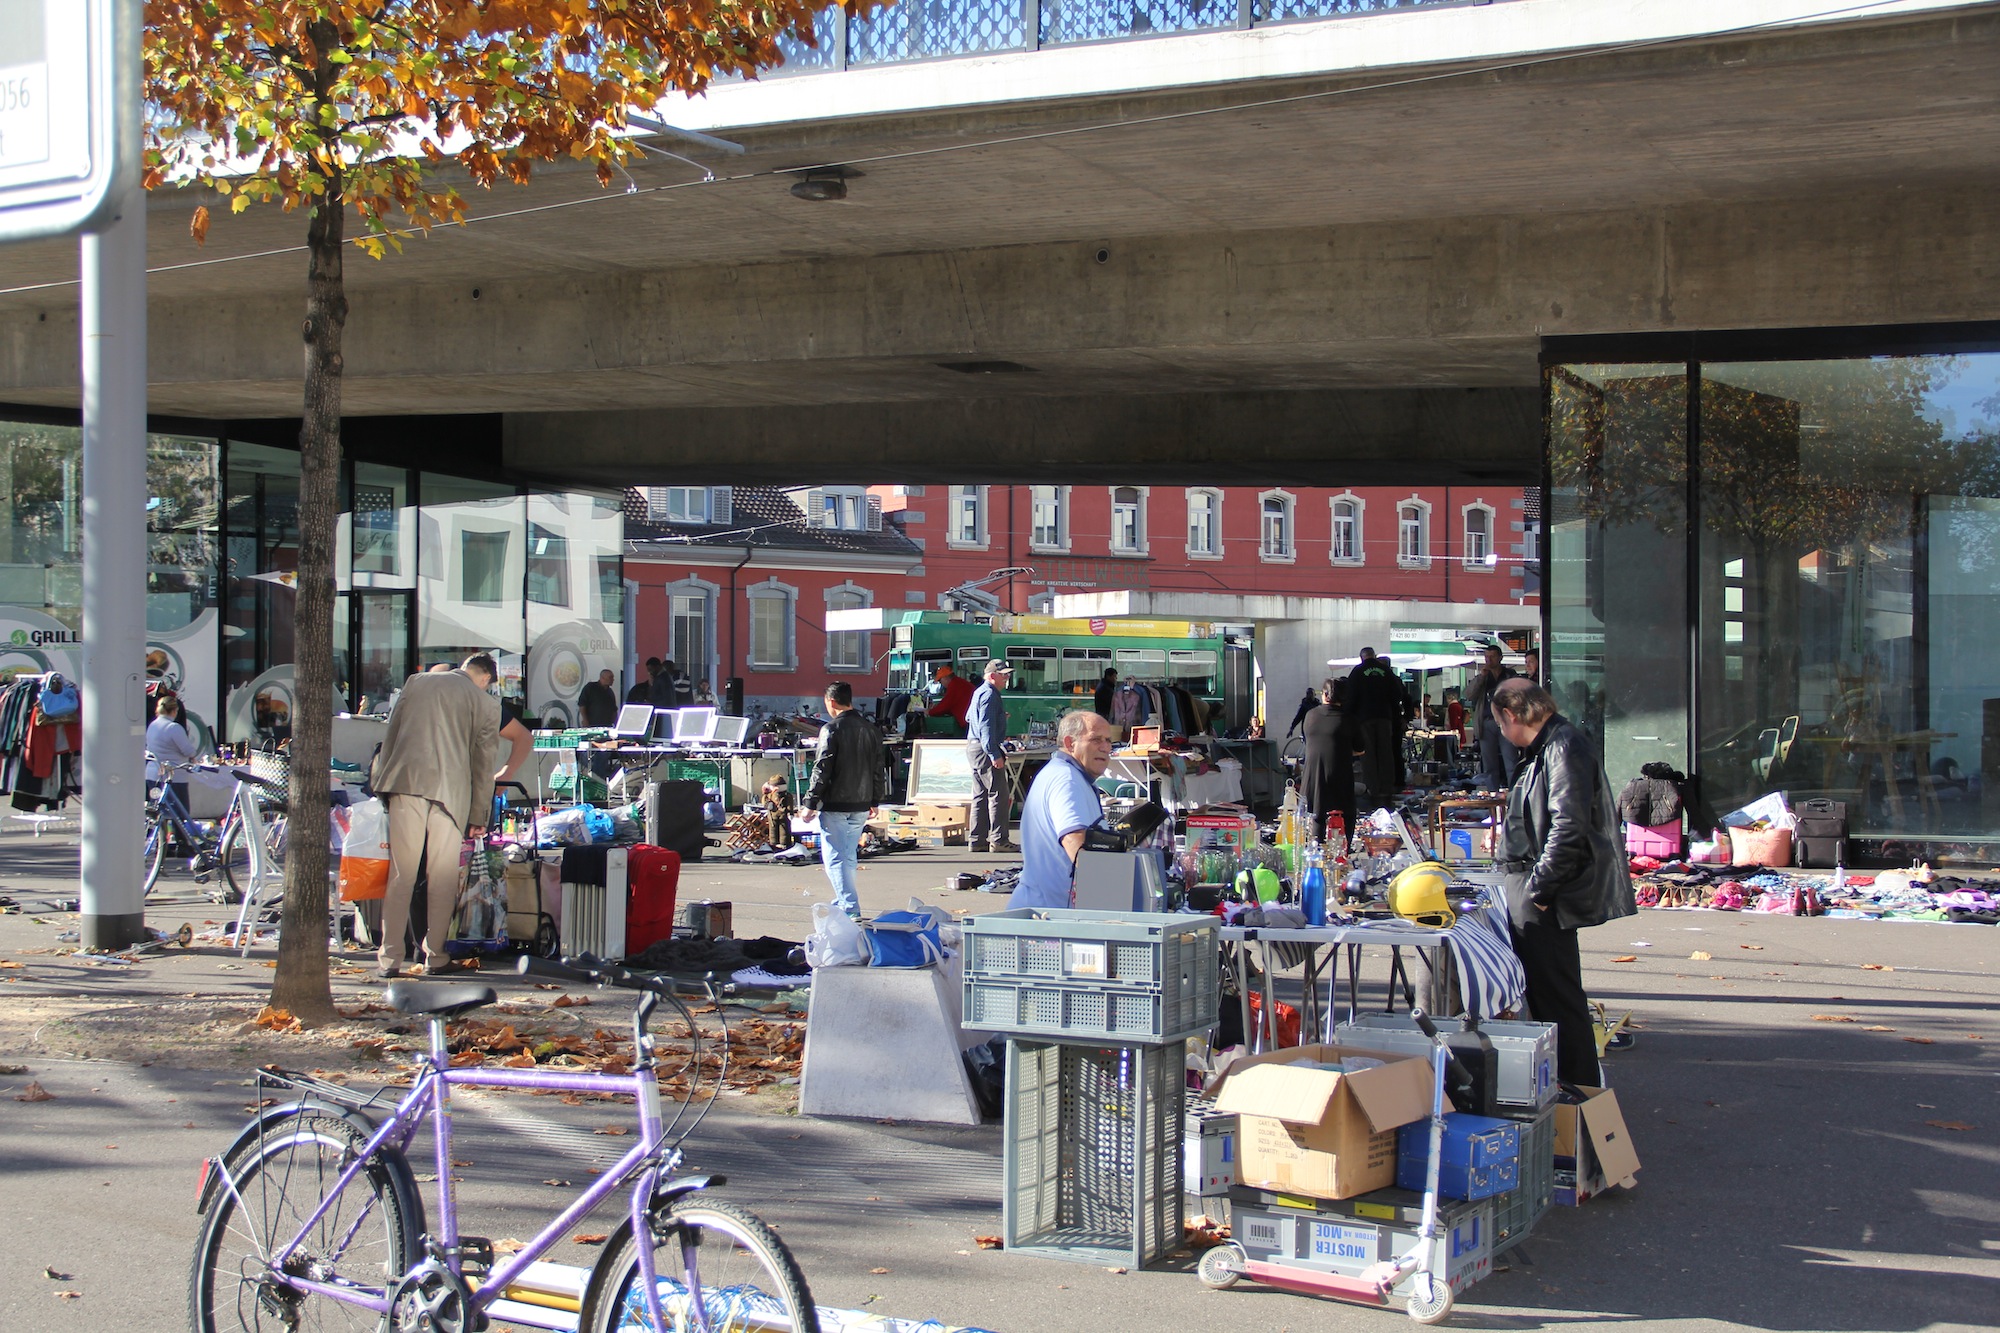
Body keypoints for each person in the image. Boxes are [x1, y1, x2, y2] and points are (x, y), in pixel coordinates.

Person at [1491, 679, 1635, 1086]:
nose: (1501, 732)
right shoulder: (1550, 746)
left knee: (1558, 998)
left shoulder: (1563, 745)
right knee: (1547, 995)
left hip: (1543, 889)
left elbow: (1569, 826)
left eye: (1500, 722)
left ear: (1513, 715)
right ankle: (1566, 1089)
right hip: (1531, 881)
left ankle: (1579, 1093)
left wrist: (1539, 891)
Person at [368, 654, 501, 978]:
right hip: (451, 795)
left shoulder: (417, 682)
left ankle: (389, 958)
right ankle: (435, 955)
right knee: (441, 879)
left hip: (406, 784)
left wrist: (381, 782)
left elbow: (392, 733)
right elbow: (483, 765)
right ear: (485, 678)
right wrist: (479, 813)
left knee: (402, 874)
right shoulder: (486, 704)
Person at [800, 680, 888, 918]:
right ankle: (842, 900)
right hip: (861, 802)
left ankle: (849, 906)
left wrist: (810, 803)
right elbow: (878, 768)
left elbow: (822, 769)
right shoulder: (870, 729)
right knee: (848, 856)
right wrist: (875, 799)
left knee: (835, 858)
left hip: (836, 803)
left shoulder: (831, 729)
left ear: (830, 702)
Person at [1010, 710, 1113, 910]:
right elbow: (1076, 843)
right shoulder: (1067, 780)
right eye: (1096, 739)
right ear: (1069, 743)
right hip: (1051, 918)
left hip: (1047, 911)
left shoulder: (1066, 774)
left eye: (1109, 740)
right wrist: (1113, 888)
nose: (1105, 747)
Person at [966, 659, 1018, 854]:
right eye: (1003, 674)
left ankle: (977, 840)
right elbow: (985, 727)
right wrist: (994, 753)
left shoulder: (979, 692)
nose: (1007, 678)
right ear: (991, 676)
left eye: (1008, 674)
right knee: (998, 795)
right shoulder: (990, 694)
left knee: (980, 795)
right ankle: (999, 840)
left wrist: (998, 717)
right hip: (984, 748)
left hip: (974, 747)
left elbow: (969, 718)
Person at [1298, 679, 1357, 848]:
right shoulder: (1348, 719)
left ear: (1324, 695)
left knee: (1316, 814)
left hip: (1311, 775)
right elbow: (1360, 748)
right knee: (1346, 815)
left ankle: (1316, 851)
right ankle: (1342, 852)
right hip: (1339, 772)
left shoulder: (1310, 715)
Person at [1346, 647, 1408, 803]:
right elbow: (1398, 693)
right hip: (1385, 718)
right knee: (1385, 753)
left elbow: (1350, 696)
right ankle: (1387, 789)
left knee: (1368, 755)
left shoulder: (1357, 672)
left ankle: (1372, 789)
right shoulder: (1386, 671)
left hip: (1364, 718)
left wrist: (1349, 717)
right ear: (1374, 656)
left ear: (1362, 658)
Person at [1464, 645, 1519, 790]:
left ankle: (1515, 794)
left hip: (1506, 721)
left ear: (1500, 658)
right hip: (1487, 722)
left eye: (1492, 656)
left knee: (1511, 760)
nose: (1488, 660)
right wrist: (1481, 678)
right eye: (1486, 657)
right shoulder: (1483, 677)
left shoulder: (1509, 675)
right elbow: (1469, 694)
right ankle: (1492, 796)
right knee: (1489, 764)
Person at [145, 693, 202, 821]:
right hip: (174, 775)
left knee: (158, 812)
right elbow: (188, 751)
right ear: (175, 711)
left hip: (153, 773)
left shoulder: (152, 725)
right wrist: (193, 755)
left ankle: (162, 837)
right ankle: (181, 839)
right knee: (180, 813)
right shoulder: (174, 728)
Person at [925, 663, 973, 733]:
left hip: (969, 722)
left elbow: (945, 705)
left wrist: (930, 712)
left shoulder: (954, 685)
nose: (941, 684)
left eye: (940, 681)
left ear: (945, 678)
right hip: (972, 720)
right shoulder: (959, 682)